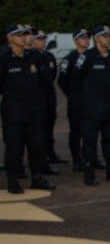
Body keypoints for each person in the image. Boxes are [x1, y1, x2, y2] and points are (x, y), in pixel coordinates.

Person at [2, 24, 55, 194]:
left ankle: (38, 177)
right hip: (14, 112)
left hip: (34, 111)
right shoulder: (4, 59)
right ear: (10, 38)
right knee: (14, 148)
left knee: (37, 147)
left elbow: (44, 81)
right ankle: (13, 180)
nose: (23, 37)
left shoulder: (33, 57)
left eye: (24, 34)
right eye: (19, 35)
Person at [75, 25, 110, 186]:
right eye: (105, 36)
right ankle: (89, 174)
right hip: (91, 108)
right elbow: (75, 81)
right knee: (90, 141)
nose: (108, 38)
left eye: (109, 35)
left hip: (109, 106)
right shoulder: (87, 57)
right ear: (97, 38)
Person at [31, 29, 65, 170]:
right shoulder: (30, 57)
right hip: (36, 99)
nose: (43, 41)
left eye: (44, 39)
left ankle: (51, 154)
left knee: (49, 128)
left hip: (49, 97)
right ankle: (41, 159)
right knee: (39, 130)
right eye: (39, 39)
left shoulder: (49, 56)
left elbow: (53, 75)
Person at [58, 28, 91, 171]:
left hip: (92, 101)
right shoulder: (69, 59)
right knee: (76, 132)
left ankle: (91, 158)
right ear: (76, 40)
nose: (86, 40)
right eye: (83, 37)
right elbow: (62, 81)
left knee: (91, 132)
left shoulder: (92, 56)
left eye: (87, 37)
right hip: (76, 101)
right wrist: (73, 94)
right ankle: (77, 160)